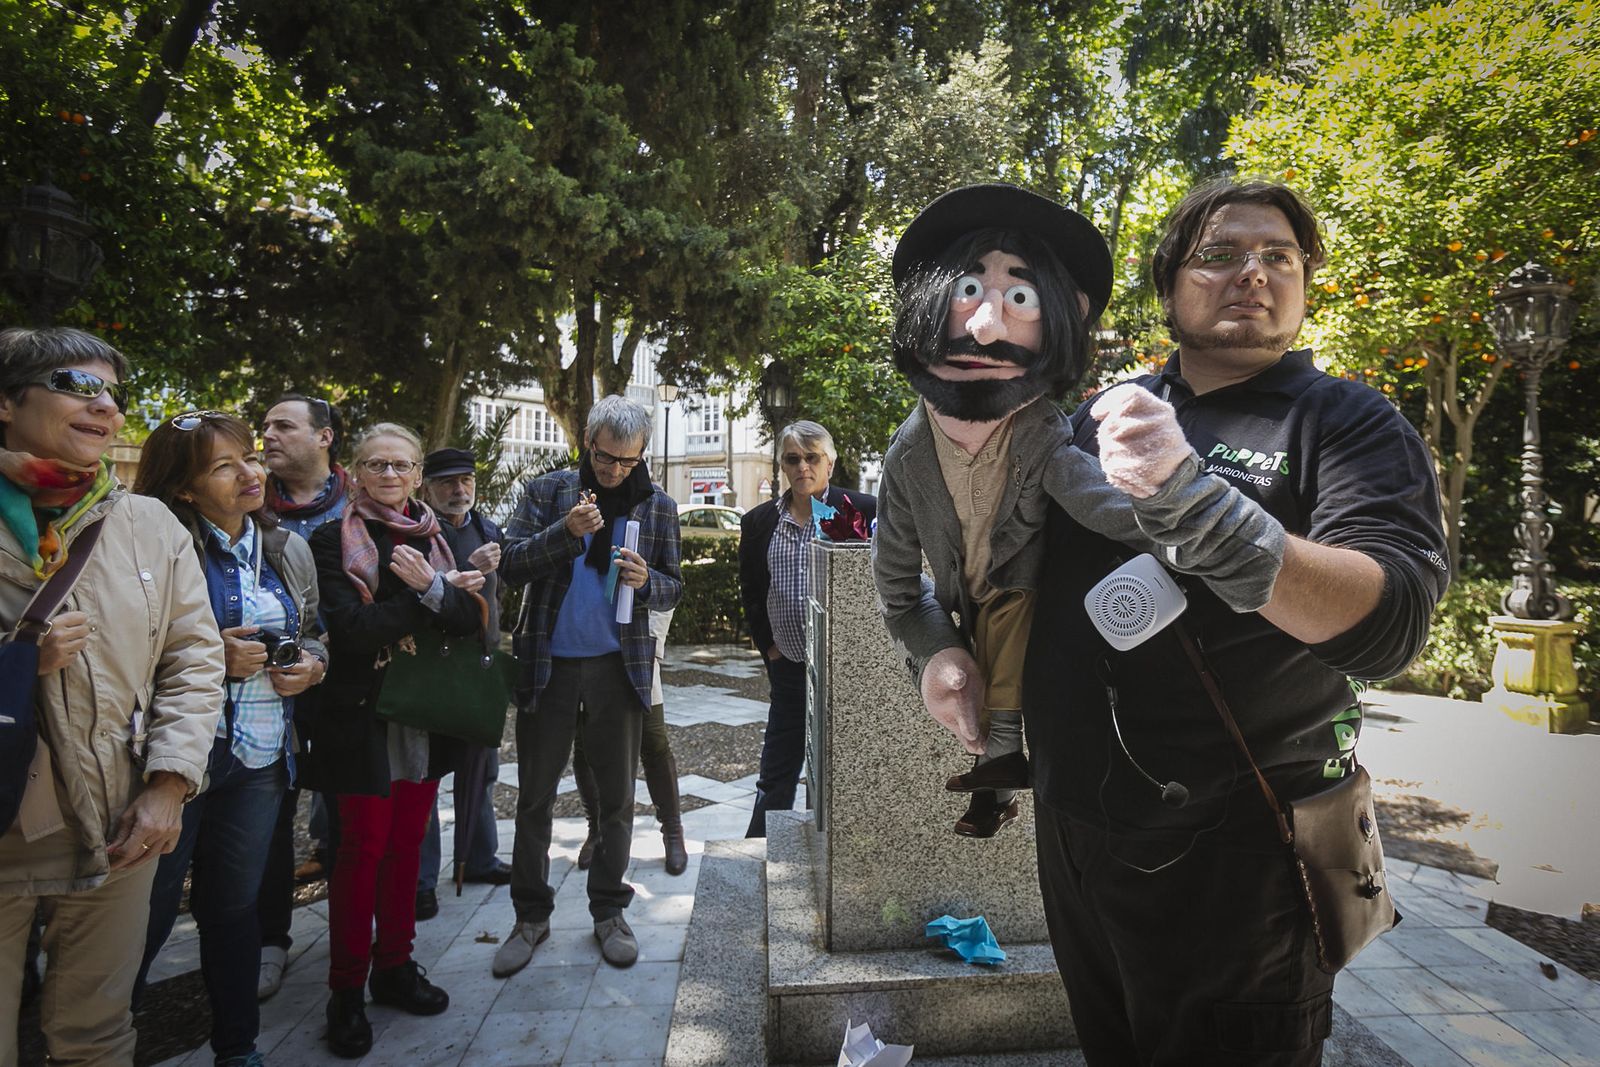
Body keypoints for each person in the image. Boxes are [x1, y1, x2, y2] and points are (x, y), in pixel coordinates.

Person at [1020, 180, 1450, 1064]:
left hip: (1243, 856)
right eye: (1220, 254)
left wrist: (1195, 501)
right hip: (1075, 829)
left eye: (1278, 257)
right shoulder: (1100, 414)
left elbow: (1392, 616)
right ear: (1169, 281)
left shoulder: (1344, 419)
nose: (1252, 273)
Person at [877, 183, 1286, 837]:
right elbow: (898, 594)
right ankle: (994, 776)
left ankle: (1005, 763)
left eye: (1019, 297)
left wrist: (1178, 503)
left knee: (1011, 640)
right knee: (977, 672)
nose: (985, 326)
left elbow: (1102, 507)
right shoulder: (906, 456)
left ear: (1063, 315)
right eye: (968, 292)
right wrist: (935, 654)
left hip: (1037, 608)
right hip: (967, 606)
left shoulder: (1039, 432)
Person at [0, 327, 225, 1067]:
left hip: (117, 826)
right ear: (8, 401)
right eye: (77, 384)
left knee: (96, 1039)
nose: (104, 406)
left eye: (113, 394)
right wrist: (14, 660)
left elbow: (194, 658)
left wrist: (168, 785)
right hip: (4, 833)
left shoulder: (149, 524)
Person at [131, 410, 328, 1067]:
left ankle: (238, 1049)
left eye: (249, 456)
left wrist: (312, 664)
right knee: (141, 918)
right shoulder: (159, 548)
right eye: (225, 465)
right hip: (175, 764)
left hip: (260, 757)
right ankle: (101, 1040)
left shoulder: (283, 546)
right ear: (183, 488)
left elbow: (316, 628)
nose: (251, 471)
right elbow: (119, 653)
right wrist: (210, 655)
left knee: (234, 910)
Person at [302, 422, 485, 1058]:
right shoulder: (333, 540)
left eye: (401, 465)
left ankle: (395, 967)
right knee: (361, 851)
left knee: (407, 845)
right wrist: (424, 596)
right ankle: (346, 989)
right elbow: (351, 630)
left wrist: (434, 588)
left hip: (422, 713)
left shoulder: (433, 537)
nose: (389, 475)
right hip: (362, 715)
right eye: (376, 464)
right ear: (352, 472)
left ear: (416, 475)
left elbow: (466, 619)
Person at [493, 395, 683, 977]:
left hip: (617, 668)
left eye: (629, 461)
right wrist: (565, 534)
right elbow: (509, 563)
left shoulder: (657, 506)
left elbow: (674, 587)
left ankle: (608, 911)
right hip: (548, 665)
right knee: (535, 797)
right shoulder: (549, 493)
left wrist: (649, 581)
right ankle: (530, 916)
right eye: (606, 458)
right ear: (587, 443)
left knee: (619, 802)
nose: (615, 471)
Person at [738, 420, 874, 837]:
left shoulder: (862, 511)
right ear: (782, 465)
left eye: (812, 458)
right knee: (777, 769)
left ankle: (844, 846)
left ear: (829, 463)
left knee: (843, 769)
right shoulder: (759, 522)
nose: (803, 467)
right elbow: (752, 591)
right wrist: (770, 649)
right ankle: (760, 848)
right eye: (793, 459)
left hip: (844, 669)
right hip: (790, 666)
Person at [256, 392, 347, 999]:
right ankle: (269, 939)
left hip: (350, 690)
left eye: (283, 426)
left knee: (349, 810)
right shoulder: (243, 500)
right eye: (264, 425)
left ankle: (355, 930)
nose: (268, 435)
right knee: (268, 815)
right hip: (267, 693)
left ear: (324, 437)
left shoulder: (361, 502)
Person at [413, 445, 513, 923]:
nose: (459, 490)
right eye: (448, 482)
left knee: (481, 773)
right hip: (429, 670)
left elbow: (506, 584)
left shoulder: (489, 528)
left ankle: (478, 859)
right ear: (426, 487)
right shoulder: (413, 532)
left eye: (467, 480)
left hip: (480, 667)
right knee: (425, 778)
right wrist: (460, 573)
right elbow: (417, 598)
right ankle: (421, 881)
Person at [570, 605, 689, 877]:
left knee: (654, 741)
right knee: (585, 744)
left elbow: (667, 584)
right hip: (586, 647)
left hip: (638, 647)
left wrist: (650, 643)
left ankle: (672, 831)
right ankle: (596, 830)